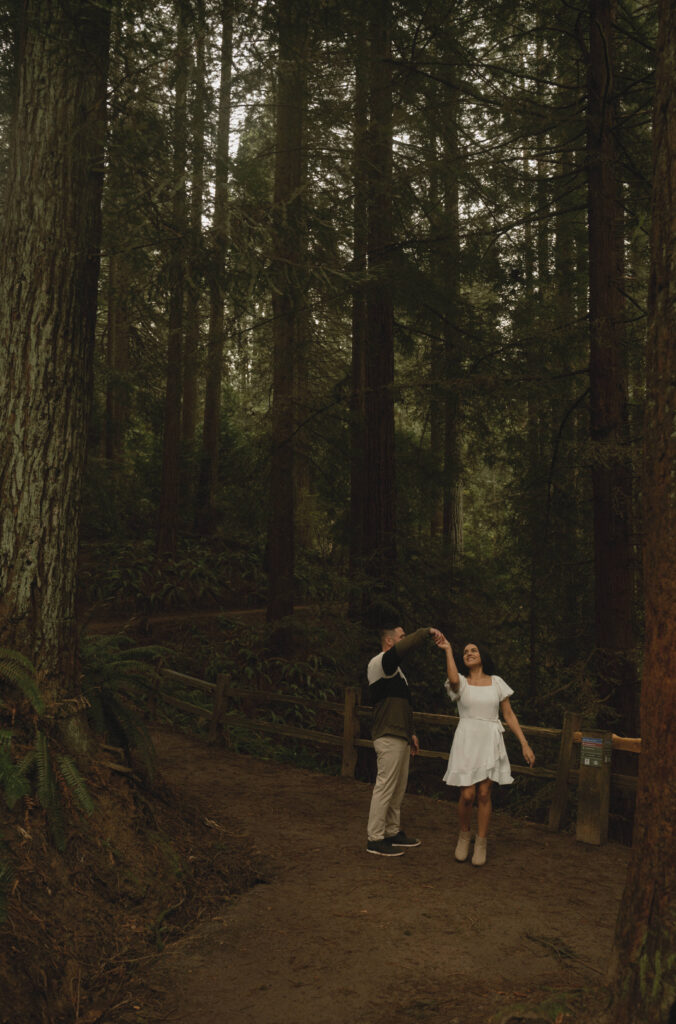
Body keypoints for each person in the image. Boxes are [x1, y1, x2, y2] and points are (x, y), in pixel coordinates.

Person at [435, 636, 535, 866]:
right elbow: (452, 677)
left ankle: (481, 842)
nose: (469, 653)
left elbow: (508, 715)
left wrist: (524, 743)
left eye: (474, 650)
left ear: (483, 656)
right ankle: (464, 835)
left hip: (490, 740)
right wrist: (448, 650)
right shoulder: (460, 681)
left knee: (483, 794)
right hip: (467, 740)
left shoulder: (497, 682)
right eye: (465, 652)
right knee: (468, 795)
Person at [366, 623, 442, 856]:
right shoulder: (380, 662)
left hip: (400, 735)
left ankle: (391, 832)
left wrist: (412, 733)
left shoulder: (398, 674)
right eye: (401, 636)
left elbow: (403, 707)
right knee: (385, 786)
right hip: (387, 735)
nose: (404, 639)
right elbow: (403, 650)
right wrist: (425, 632)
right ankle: (375, 838)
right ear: (389, 641)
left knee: (397, 789)